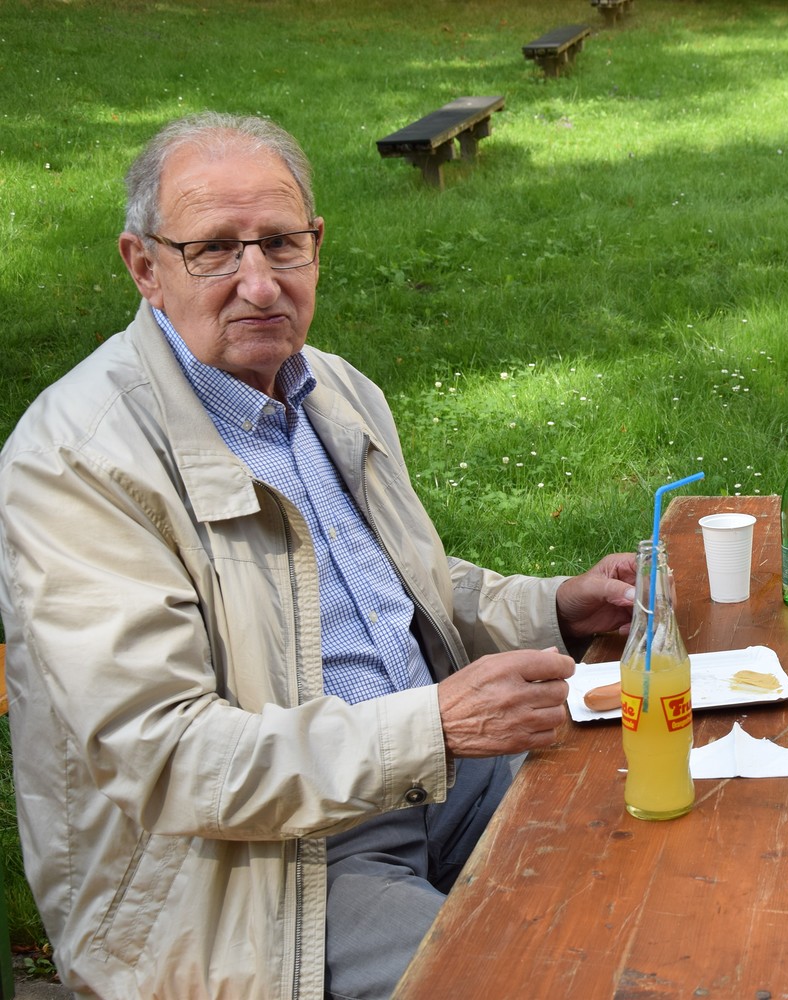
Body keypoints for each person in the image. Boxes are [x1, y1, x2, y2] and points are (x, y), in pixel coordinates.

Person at [0, 111, 638, 999]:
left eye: (281, 244)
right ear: (144, 266)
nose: (260, 283)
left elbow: (391, 591)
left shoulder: (331, 388)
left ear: (316, 245)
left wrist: (556, 607)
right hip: (257, 875)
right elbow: (166, 755)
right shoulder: (78, 459)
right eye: (214, 250)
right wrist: (432, 729)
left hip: (433, 779)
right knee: (529, 983)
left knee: (668, 846)